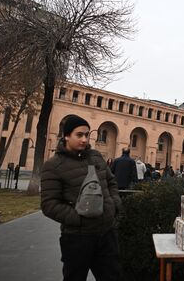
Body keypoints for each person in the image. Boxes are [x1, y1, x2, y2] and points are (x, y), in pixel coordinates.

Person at [41, 115, 122, 281]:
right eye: (79, 135)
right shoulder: (53, 166)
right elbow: (49, 204)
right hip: (77, 238)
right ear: (66, 136)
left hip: (106, 234)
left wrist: (113, 205)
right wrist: (78, 218)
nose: (84, 139)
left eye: (87, 134)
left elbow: (111, 182)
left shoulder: (96, 157)